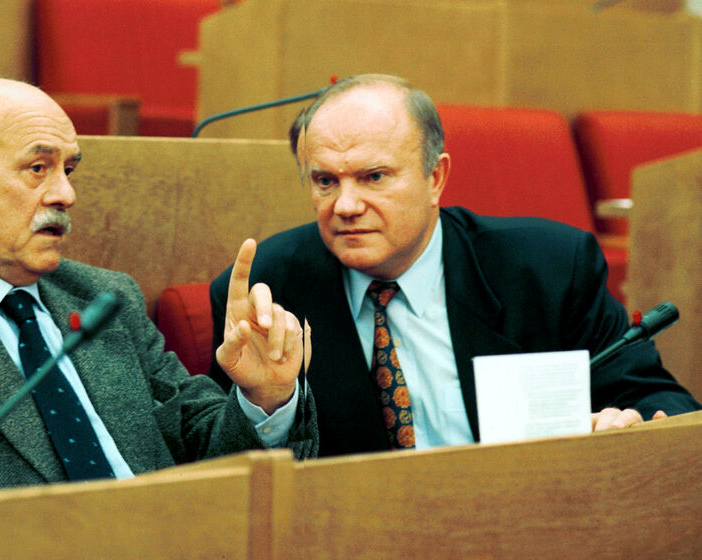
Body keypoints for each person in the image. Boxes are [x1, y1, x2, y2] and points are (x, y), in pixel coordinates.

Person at [0, 78, 315, 502]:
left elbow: (203, 448)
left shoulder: (105, 299)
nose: (66, 194)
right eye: (38, 168)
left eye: (68, 170)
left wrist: (264, 397)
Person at [209, 74, 700, 457]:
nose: (346, 205)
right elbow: (214, 460)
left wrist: (632, 422)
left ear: (435, 178)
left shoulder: (547, 268)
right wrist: (266, 404)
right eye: (325, 181)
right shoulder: (266, 290)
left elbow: (662, 401)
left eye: (374, 177)